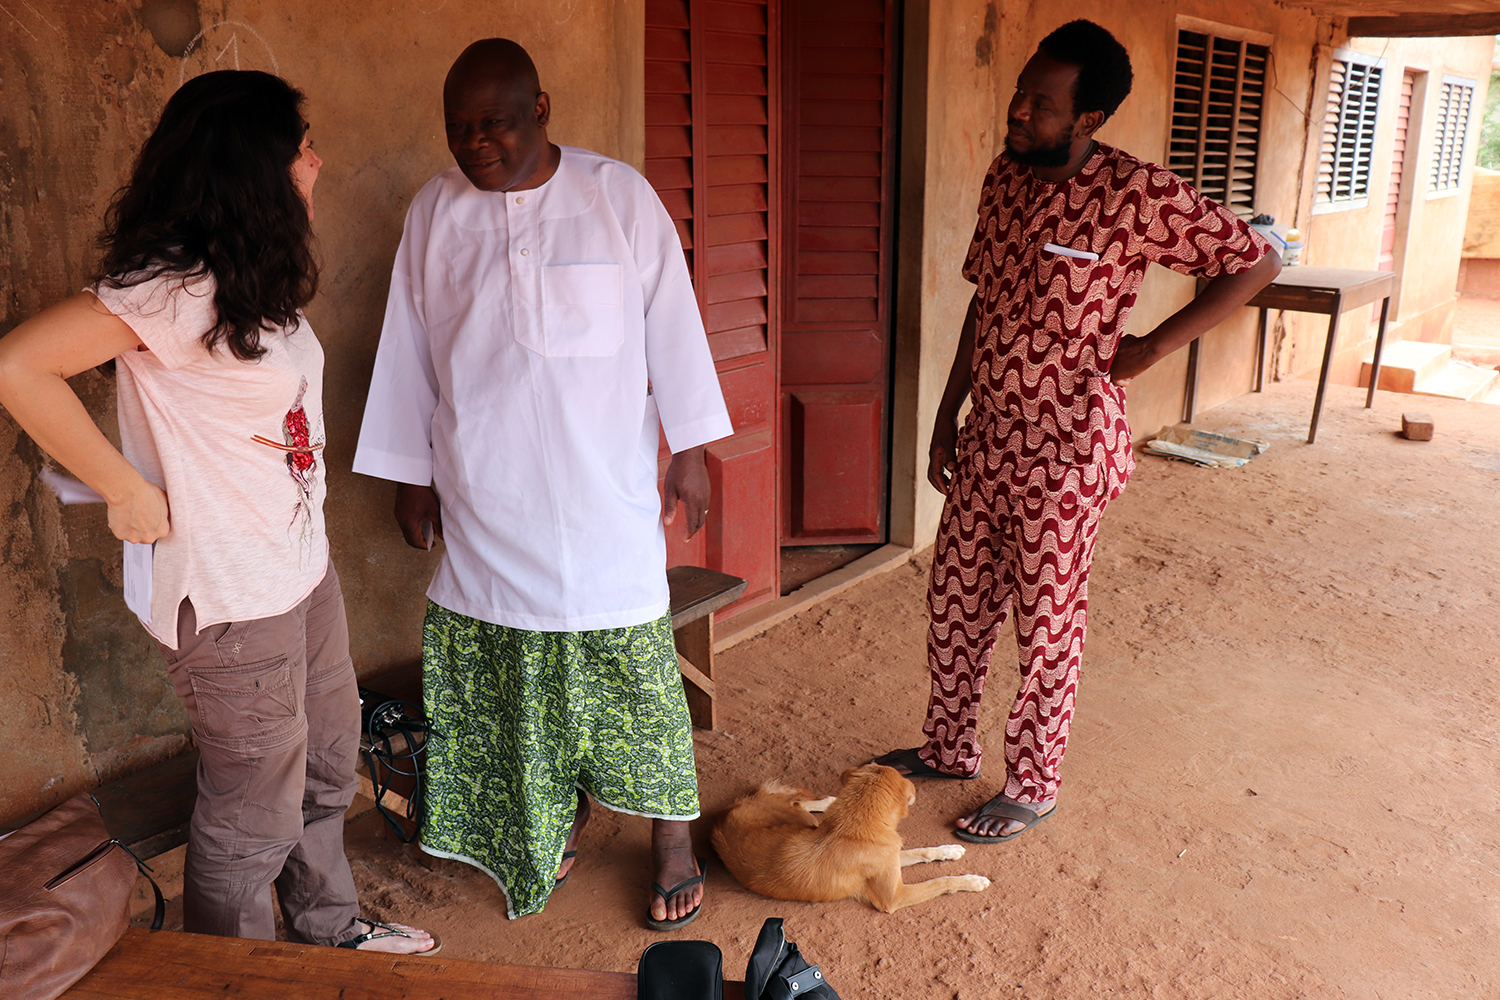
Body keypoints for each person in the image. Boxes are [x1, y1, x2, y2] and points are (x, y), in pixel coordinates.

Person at [0, 70, 437, 954]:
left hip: (300, 575)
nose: (316, 161)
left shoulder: (249, 275)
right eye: (299, 148)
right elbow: (19, 367)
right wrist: (125, 490)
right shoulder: (169, 286)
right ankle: (229, 977)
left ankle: (325, 930)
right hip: (231, 603)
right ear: (252, 167)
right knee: (250, 815)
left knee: (323, 764)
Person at [353, 38, 732, 928]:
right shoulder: (434, 213)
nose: (476, 143)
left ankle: (669, 835)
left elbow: (671, 319)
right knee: (511, 672)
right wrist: (413, 476)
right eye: (459, 129)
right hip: (488, 485)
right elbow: (407, 349)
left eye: (496, 123)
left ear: (542, 110)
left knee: (634, 667)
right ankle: (547, 822)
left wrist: (691, 446)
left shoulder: (617, 197)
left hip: (605, 485)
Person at [871, 21, 1280, 842]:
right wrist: (948, 416)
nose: (1018, 111)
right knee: (954, 600)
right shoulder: (1006, 177)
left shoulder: (1140, 194)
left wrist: (1154, 348)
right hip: (989, 435)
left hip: (1068, 445)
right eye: (1021, 92)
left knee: (1046, 620)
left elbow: (1257, 259)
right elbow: (985, 301)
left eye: (1041, 103)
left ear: (1087, 117)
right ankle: (949, 750)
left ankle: (1033, 783)